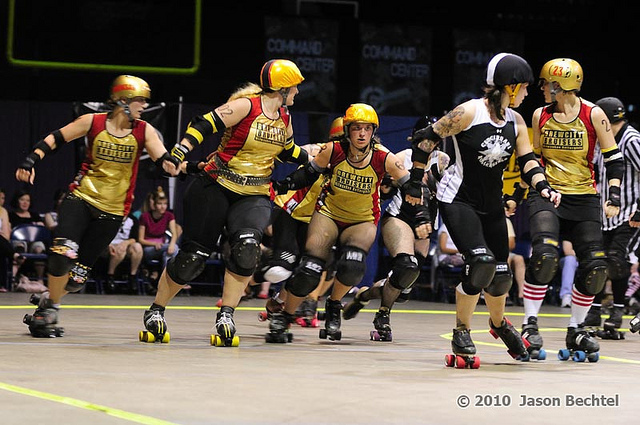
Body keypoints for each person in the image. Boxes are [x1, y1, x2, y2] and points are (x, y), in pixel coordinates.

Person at [140, 59, 309, 345]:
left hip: (254, 192)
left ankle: (227, 314)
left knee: (247, 249)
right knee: (193, 258)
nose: (297, 93)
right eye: (295, 87)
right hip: (215, 186)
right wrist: (180, 152)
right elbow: (204, 123)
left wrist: (318, 161)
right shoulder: (247, 105)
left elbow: (289, 151)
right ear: (282, 88)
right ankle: (156, 310)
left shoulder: (285, 118)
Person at [414, 53, 560, 367]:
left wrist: (543, 186)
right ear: (511, 86)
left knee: (502, 274)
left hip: (490, 204)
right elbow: (425, 139)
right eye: (524, 88)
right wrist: (415, 181)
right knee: (480, 263)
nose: (527, 93)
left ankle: (498, 323)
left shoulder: (516, 121)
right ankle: (462, 330)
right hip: (457, 199)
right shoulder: (469, 112)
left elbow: (527, 162)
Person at [16, 74, 180, 337]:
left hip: (113, 211)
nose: (143, 106)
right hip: (81, 198)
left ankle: (47, 299)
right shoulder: (93, 122)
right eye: (139, 101)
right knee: (62, 253)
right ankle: (52, 310)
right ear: (122, 101)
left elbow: (161, 155)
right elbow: (56, 138)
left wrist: (172, 164)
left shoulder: (144, 130)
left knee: (77, 279)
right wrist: (30, 161)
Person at [265, 102, 424, 343]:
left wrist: (414, 188)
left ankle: (333, 305)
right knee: (309, 269)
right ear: (347, 130)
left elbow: (410, 184)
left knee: (353, 266)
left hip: (362, 220)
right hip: (328, 214)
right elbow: (307, 173)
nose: (362, 134)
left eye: (367, 129)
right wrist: (283, 184)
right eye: (357, 128)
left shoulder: (384, 157)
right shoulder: (333, 150)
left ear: (373, 131)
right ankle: (285, 316)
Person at [521, 59, 623, 360]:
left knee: (595, 267)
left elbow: (613, 159)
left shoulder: (594, 114)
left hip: (584, 197)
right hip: (548, 194)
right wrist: (519, 192)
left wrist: (613, 196)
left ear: (559, 85)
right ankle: (529, 325)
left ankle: (576, 329)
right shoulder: (541, 115)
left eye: (545, 83)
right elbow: (534, 158)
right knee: (545, 255)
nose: (541, 88)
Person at [341, 116, 437, 341]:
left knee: (402, 288)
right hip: (400, 217)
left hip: (426, 225)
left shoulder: (443, 161)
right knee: (407, 267)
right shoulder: (402, 158)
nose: (428, 144)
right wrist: (390, 184)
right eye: (424, 139)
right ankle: (383, 315)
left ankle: (365, 295)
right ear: (414, 138)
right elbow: (384, 192)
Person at [582, 96, 640, 339]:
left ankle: (616, 312)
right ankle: (595, 312)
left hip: (629, 214)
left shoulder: (631, 140)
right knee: (598, 262)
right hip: (604, 214)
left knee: (617, 261)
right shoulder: (601, 141)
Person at [138, 186, 179, 272]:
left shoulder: (169, 215)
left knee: (168, 254)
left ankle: (165, 281)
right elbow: (141, 239)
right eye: (159, 204)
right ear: (154, 205)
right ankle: (172, 281)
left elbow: (174, 233)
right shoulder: (145, 216)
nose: (162, 207)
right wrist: (154, 244)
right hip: (149, 248)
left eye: (165, 204)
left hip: (163, 246)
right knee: (175, 249)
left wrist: (171, 244)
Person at [104, 213, 143, 294]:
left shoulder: (133, 219)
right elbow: (101, 234)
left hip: (125, 245)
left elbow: (134, 238)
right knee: (120, 251)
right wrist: (108, 244)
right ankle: (110, 276)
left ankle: (132, 277)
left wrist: (126, 243)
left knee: (137, 247)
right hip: (109, 245)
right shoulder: (109, 216)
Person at [559, 240, 578, 308]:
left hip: (587, 260)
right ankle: (566, 295)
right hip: (571, 260)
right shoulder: (570, 232)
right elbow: (568, 251)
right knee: (570, 259)